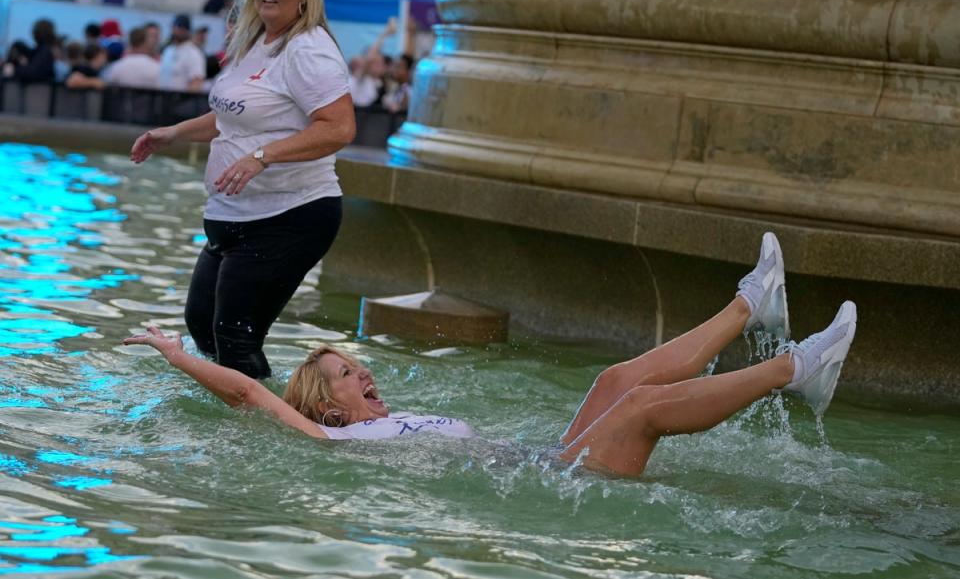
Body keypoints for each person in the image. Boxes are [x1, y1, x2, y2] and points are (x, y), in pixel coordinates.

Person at [124, 233, 859, 477]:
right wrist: (175, 352)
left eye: (358, 364)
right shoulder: (328, 441)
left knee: (613, 378)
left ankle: (747, 306)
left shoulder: (386, 419)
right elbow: (251, 395)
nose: (364, 372)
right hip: (563, 488)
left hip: (545, 460)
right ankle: (794, 368)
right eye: (348, 375)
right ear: (327, 406)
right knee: (639, 407)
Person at [129, 0, 355, 380]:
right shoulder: (257, 41)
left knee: (235, 337)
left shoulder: (308, 49)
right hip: (233, 216)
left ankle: (271, 433)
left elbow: (339, 128)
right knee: (203, 326)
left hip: (290, 215)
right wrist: (171, 134)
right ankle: (242, 413)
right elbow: (234, 118)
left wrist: (262, 156)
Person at [158, 14, 206, 91]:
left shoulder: (193, 53)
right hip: (162, 99)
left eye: (183, 28)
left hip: (180, 100)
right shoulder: (168, 50)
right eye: (178, 27)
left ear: (188, 31)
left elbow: (196, 83)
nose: (179, 31)